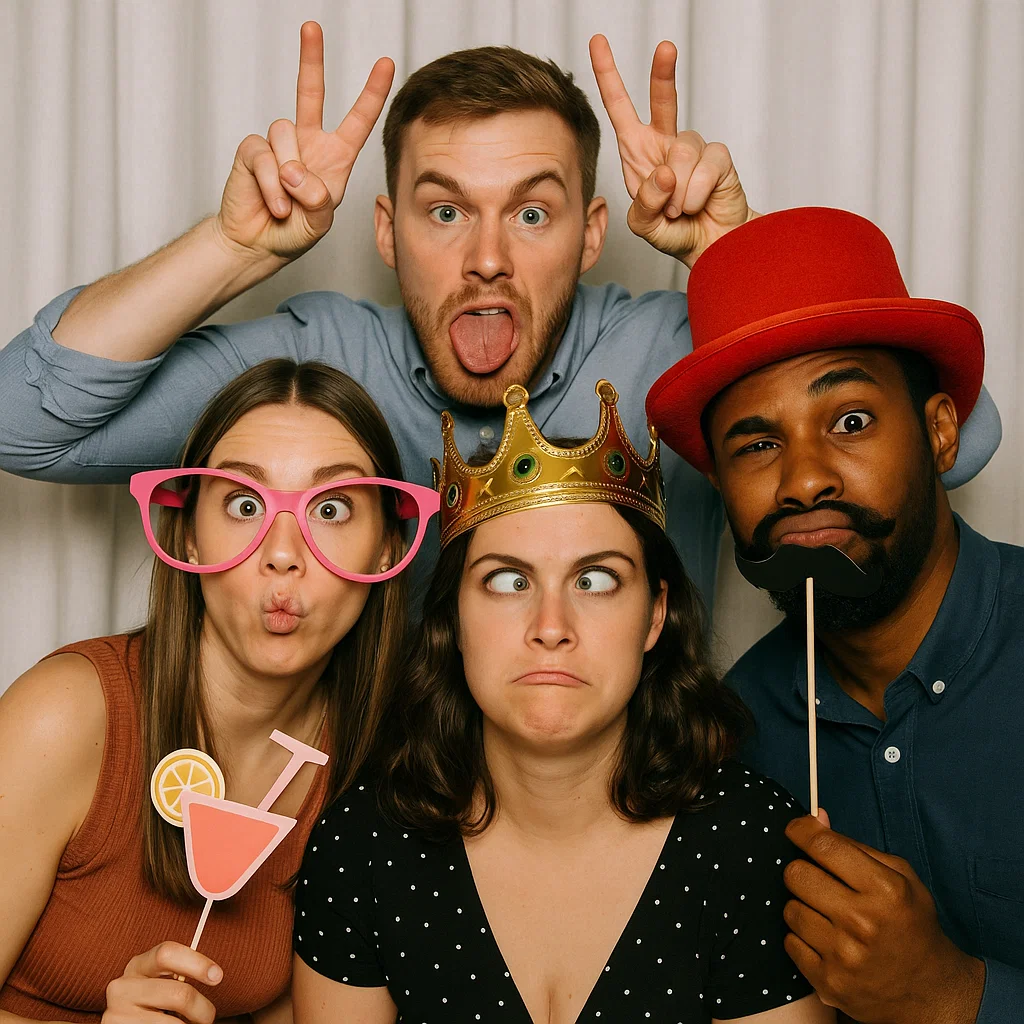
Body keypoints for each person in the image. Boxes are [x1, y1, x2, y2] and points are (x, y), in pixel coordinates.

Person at [0, 25, 1000, 612]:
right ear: (385, 233)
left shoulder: (673, 348)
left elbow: (957, 443)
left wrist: (727, 257)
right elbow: (21, 421)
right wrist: (237, 249)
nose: (485, 257)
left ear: (592, 231)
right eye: (445, 212)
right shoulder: (322, 359)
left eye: (531, 212)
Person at [289, 380, 834, 1023]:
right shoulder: (362, 843)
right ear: (455, 619)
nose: (551, 625)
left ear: (655, 616)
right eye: (509, 580)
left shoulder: (754, 840)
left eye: (596, 580)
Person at [645, 206, 1022, 1023]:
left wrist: (956, 997)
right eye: (755, 445)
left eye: (849, 421)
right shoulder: (727, 735)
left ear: (941, 432)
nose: (804, 479)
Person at [0, 359, 439, 1021]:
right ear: (186, 533)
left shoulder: (377, 762)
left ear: (385, 549)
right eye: (243, 504)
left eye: (330, 508)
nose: (283, 553)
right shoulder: (63, 718)